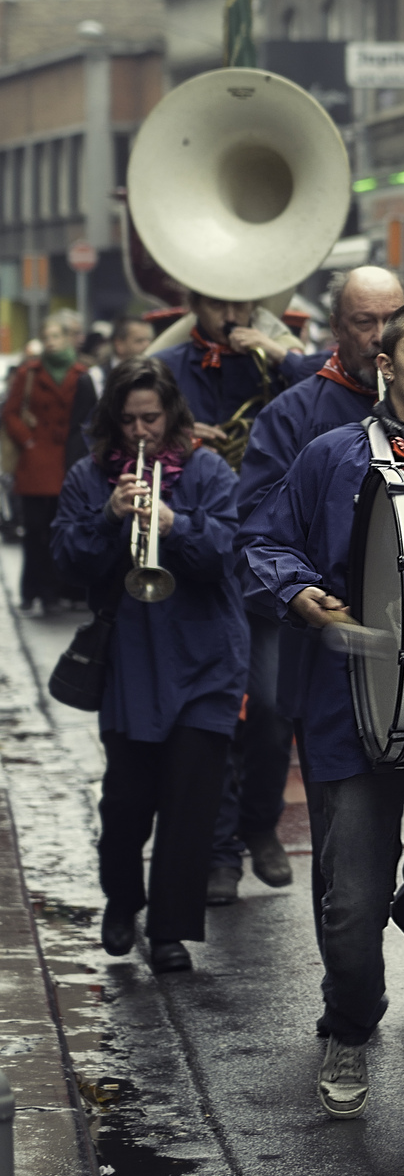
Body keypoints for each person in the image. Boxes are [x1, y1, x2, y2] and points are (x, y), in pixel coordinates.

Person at [239, 294, 404, 1153]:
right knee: (352, 907)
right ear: (385, 364)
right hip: (348, 713)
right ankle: (350, 1023)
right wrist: (298, 591)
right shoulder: (328, 457)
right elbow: (264, 542)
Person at [219, 273, 404, 910]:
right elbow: (256, 533)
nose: (381, 332)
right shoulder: (296, 415)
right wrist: (297, 592)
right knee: (345, 884)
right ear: (339, 331)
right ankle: (258, 831)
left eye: (391, 317)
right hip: (336, 667)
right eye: (363, 321)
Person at [52, 358, 246, 974]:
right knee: (126, 803)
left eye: (152, 418)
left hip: (206, 656)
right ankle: (121, 899)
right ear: (113, 420)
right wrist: (110, 517)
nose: (141, 431)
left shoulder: (208, 470)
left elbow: (226, 553)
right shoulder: (88, 478)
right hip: (131, 663)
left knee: (189, 804)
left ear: (172, 416)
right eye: (130, 419)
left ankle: (169, 932)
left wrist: (174, 522)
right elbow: (64, 558)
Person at [153, 291, 316, 459]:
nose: (230, 318)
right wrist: (172, 435)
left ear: (253, 306)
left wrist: (280, 355)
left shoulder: (272, 359)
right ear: (195, 306)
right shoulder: (163, 365)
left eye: (240, 305)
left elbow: (322, 397)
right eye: (216, 304)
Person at [4, 311, 87, 615]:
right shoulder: (29, 372)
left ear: (68, 339)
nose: (51, 343)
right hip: (35, 461)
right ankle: (31, 591)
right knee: (35, 529)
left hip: (66, 460)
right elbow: (11, 412)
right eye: (46, 337)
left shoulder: (80, 373)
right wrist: (27, 440)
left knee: (60, 530)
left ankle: (54, 592)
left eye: (57, 337)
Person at [67, 318, 155, 471]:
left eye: (149, 340)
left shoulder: (156, 377)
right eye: (139, 341)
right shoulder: (94, 379)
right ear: (119, 345)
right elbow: (78, 433)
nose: (147, 346)